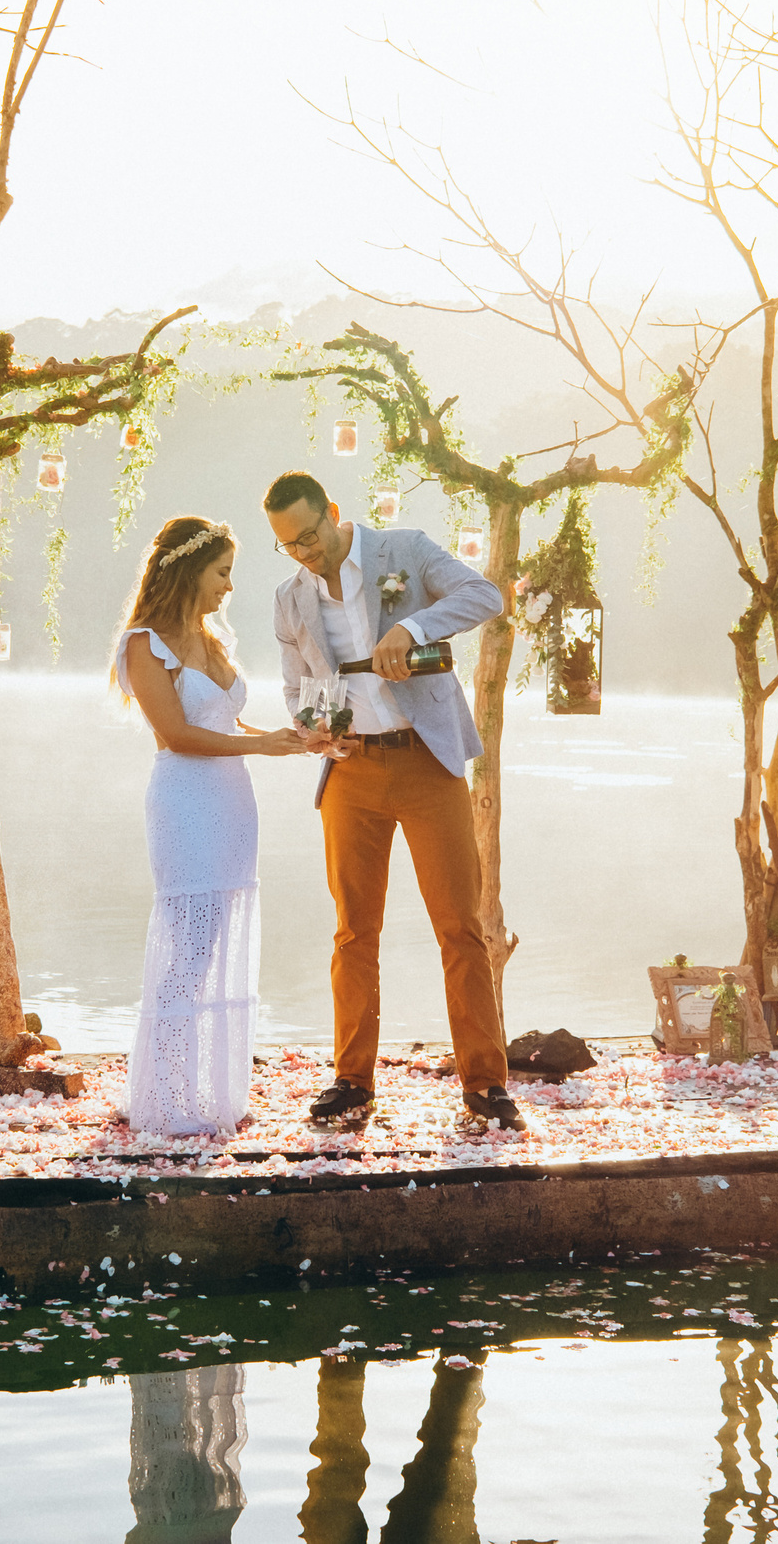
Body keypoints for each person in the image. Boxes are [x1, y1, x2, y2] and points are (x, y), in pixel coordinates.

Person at [263, 470, 527, 1133]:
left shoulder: (402, 551)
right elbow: (296, 688)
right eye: (290, 545)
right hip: (349, 772)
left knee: (458, 927)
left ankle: (486, 1085)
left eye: (310, 535)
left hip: (426, 760)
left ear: (333, 510)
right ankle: (353, 1081)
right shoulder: (290, 599)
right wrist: (315, 724)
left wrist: (410, 627)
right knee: (354, 930)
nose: (305, 552)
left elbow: (485, 595)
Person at [114, 515, 309, 1135]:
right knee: (187, 951)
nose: (229, 586)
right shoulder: (146, 643)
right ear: (190, 570)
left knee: (215, 943)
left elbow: (224, 721)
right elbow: (176, 733)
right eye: (222, 572)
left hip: (232, 805)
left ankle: (206, 1088)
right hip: (186, 801)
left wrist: (292, 738)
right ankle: (164, 1095)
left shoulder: (212, 639)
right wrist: (262, 749)